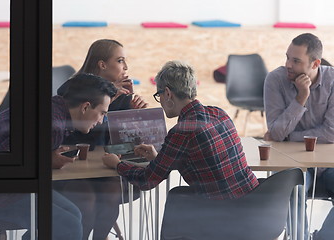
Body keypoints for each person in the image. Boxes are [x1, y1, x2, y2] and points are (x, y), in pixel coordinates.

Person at [0, 73, 116, 239]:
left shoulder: (51, 108)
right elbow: (8, 168)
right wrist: (44, 162)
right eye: (102, 113)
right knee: (68, 225)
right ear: (85, 107)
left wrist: (43, 161)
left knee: (74, 214)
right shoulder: (54, 126)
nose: (101, 121)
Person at [103, 60, 259, 201]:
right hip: (252, 204)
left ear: (168, 93)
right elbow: (203, 160)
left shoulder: (182, 131)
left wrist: (117, 164)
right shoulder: (219, 113)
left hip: (221, 213)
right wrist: (158, 158)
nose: (161, 101)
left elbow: (147, 180)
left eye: (159, 95)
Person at [54, 39, 145, 240]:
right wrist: (106, 98)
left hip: (101, 165)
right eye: (120, 60)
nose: (126, 67)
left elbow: (121, 140)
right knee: (87, 200)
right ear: (102, 64)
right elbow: (76, 132)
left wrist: (132, 114)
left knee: (112, 193)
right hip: (71, 165)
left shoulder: (123, 95)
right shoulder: (74, 87)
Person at [264, 33, 334, 240]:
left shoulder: (332, 81)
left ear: (315, 64)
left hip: (330, 164)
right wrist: (300, 99)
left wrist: (288, 136)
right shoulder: (275, 80)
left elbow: (331, 132)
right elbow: (275, 133)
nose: (288, 64)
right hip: (295, 163)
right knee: (293, 189)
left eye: (296, 61)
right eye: (287, 57)